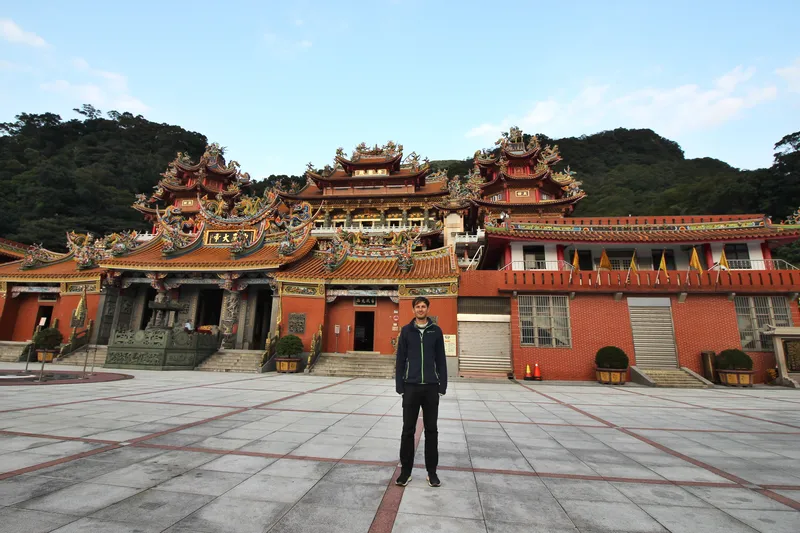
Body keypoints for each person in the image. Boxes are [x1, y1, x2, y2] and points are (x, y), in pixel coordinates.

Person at [395, 296, 447, 488]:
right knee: (407, 430)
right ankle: (405, 472)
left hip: (431, 387)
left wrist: (442, 385)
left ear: (427, 309)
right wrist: (399, 385)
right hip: (411, 386)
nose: (420, 309)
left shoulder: (436, 331)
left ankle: (432, 472)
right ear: (413, 310)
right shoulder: (407, 331)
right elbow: (400, 359)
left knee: (431, 430)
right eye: (417, 306)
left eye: (423, 306)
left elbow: (441, 359)